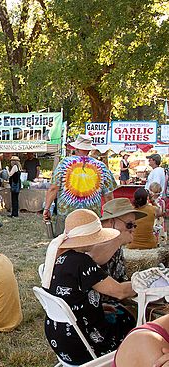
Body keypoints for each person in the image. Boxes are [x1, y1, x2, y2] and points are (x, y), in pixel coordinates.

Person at [41, 209, 136, 365]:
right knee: (127, 318)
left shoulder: (58, 257)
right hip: (82, 344)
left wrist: (98, 307)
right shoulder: (81, 262)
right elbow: (120, 292)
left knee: (114, 313)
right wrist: (145, 283)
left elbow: (70, 297)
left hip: (59, 337)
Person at [43, 134, 117, 236]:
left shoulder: (64, 164)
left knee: (64, 244)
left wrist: (47, 208)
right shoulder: (101, 167)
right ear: (89, 149)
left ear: (76, 147)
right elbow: (108, 194)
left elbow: (53, 188)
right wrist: (111, 214)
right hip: (91, 215)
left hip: (67, 214)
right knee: (90, 245)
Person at [88, 198, 145, 285]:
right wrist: (119, 239)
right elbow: (93, 259)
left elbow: (121, 278)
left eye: (134, 225)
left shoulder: (116, 243)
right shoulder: (93, 238)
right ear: (111, 222)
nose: (132, 229)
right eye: (129, 225)